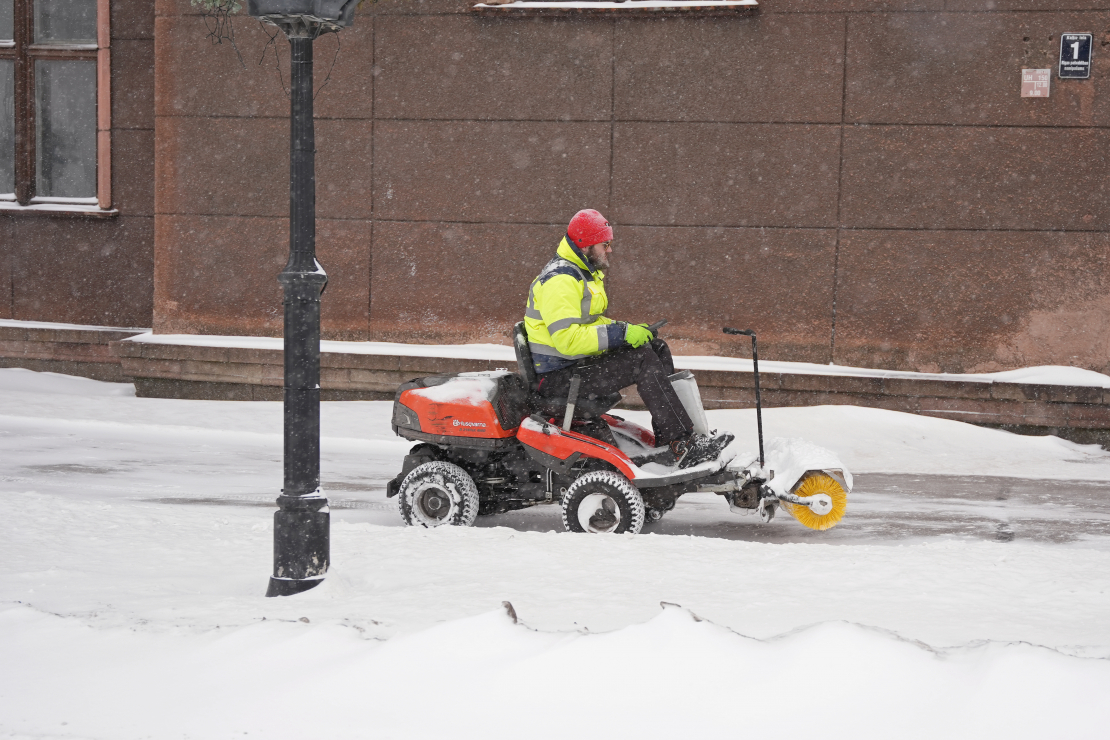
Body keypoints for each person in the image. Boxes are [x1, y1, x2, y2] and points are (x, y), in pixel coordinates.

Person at [524, 208, 733, 468]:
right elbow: (568, 340)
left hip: (573, 367)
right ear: (586, 245)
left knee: (654, 347)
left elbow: (590, 323)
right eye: (605, 244)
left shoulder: (580, 273)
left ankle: (675, 438)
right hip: (558, 379)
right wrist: (621, 334)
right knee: (641, 361)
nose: (609, 250)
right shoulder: (561, 281)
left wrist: (629, 331)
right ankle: (680, 444)